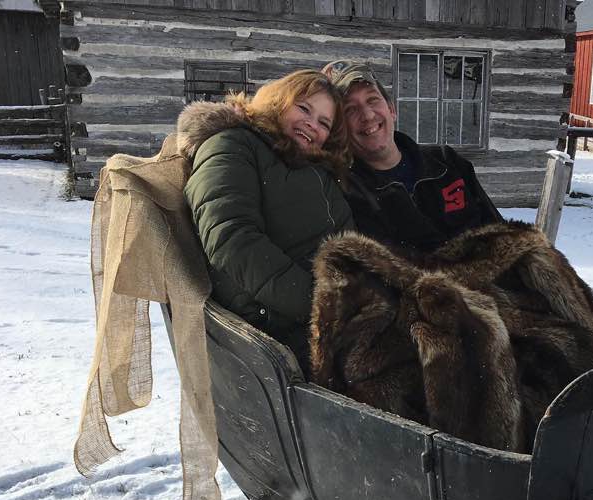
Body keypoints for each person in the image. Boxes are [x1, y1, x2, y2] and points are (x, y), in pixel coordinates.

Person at [178, 70, 354, 372]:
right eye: (303, 108)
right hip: (278, 328)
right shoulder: (232, 144)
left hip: (334, 314)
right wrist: (318, 305)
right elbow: (232, 239)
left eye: (324, 123)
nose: (312, 124)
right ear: (277, 101)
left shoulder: (316, 169)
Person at [322, 61, 503, 253]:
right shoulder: (347, 194)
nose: (367, 115)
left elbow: (505, 237)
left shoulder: (447, 162)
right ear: (340, 129)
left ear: (391, 109)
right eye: (350, 109)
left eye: (372, 100)